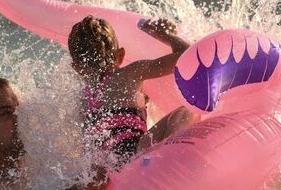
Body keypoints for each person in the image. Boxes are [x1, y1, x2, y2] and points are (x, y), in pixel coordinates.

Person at [68, 15, 198, 167]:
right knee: (186, 111)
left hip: (108, 168)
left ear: (76, 68)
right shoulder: (131, 73)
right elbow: (187, 57)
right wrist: (167, 35)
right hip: (134, 155)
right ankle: (172, 159)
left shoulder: (83, 99)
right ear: (121, 55)